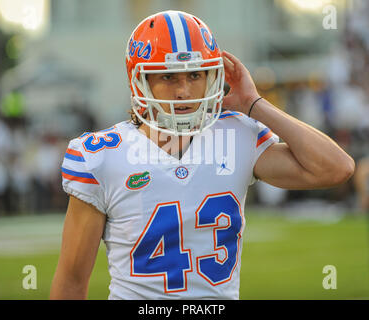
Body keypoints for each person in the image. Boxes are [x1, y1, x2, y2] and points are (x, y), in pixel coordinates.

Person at [50, 10, 355, 300]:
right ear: (140, 81)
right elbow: (72, 282)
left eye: (195, 75)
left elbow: (336, 168)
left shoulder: (236, 135)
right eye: (168, 77)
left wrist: (253, 102)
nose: (184, 91)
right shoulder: (103, 156)